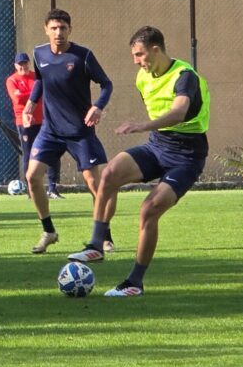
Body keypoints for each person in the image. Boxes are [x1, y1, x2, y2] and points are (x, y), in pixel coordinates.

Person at [68, 26, 210, 297]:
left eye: (140, 54)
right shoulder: (142, 77)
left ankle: (134, 282)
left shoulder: (184, 77)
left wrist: (141, 125)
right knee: (109, 173)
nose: (136, 61)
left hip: (186, 156)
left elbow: (179, 113)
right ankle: (96, 245)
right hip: (158, 146)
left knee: (148, 210)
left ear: (156, 50)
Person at [24, 9, 114, 254]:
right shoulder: (39, 53)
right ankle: (48, 232)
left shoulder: (83, 56)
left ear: (70, 30)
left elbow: (106, 84)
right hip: (50, 131)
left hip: (80, 131)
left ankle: (104, 236)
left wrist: (98, 106)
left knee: (94, 184)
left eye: (63, 28)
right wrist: (32, 102)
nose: (58, 33)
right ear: (46, 30)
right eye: (54, 28)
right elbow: (41, 79)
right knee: (32, 177)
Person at [6, 52, 62, 199]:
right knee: (29, 155)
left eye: (25, 63)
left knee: (52, 152)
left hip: (44, 121)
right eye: (20, 64)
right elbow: (17, 98)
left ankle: (52, 188)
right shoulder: (12, 80)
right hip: (25, 122)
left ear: (29, 63)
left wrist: (28, 93)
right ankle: (32, 190)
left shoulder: (36, 76)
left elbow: (45, 90)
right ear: (15, 66)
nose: (23, 66)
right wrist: (35, 93)